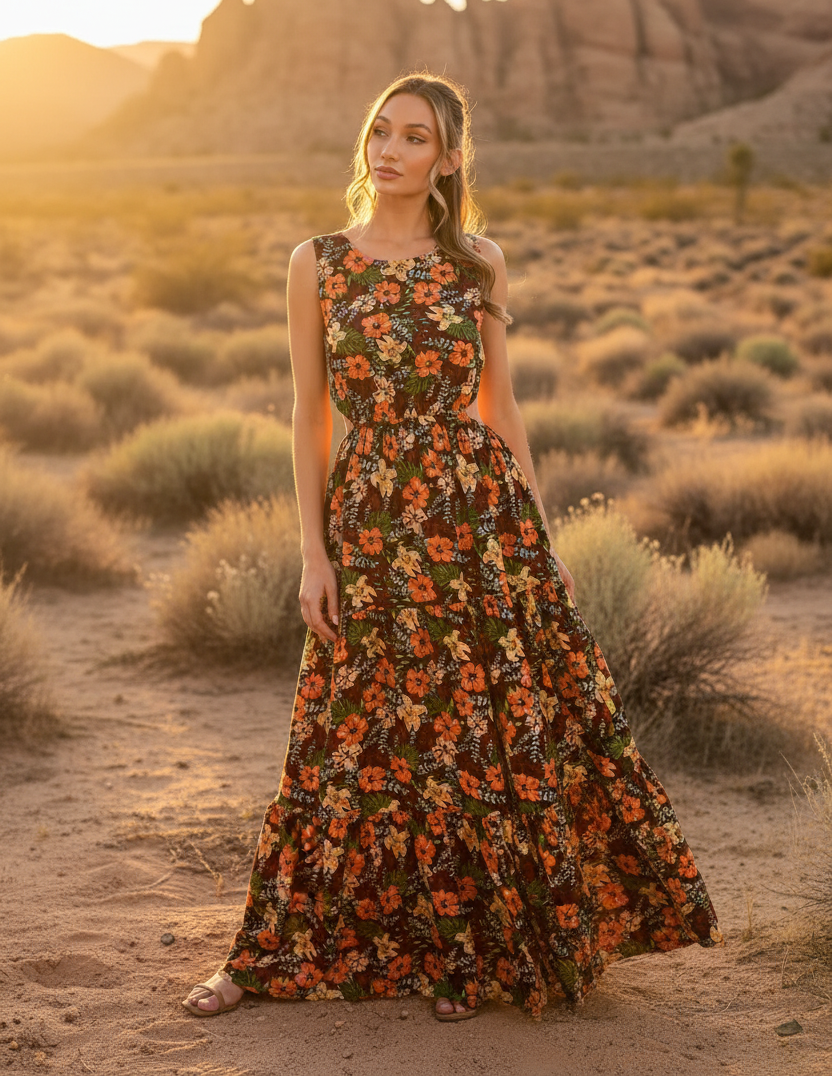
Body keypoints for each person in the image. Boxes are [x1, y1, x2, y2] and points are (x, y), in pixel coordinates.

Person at [183, 72, 721, 1022]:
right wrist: (313, 552)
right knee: (346, 733)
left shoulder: (479, 263)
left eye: (416, 137)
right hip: (371, 523)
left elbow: (499, 405)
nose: (390, 149)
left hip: (480, 522)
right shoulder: (318, 261)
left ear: (450, 155)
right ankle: (269, 950)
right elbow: (309, 418)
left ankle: (471, 951)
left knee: (471, 732)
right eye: (380, 131)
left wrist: (541, 540)